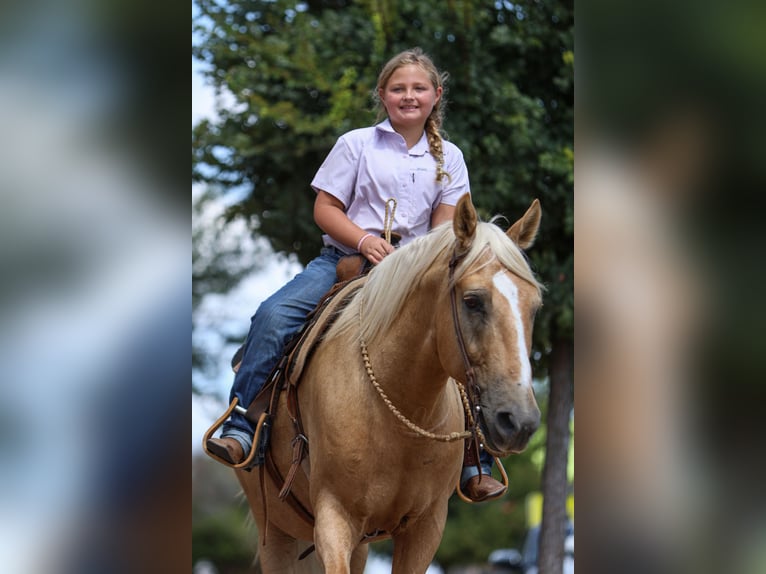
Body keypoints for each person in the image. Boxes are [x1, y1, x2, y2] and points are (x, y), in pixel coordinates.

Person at [206, 47, 505, 502]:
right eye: (398, 88)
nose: (409, 96)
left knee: (457, 335)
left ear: (436, 95)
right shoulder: (356, 144)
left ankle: (474, 455)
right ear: (383, 95)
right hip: (343, 263)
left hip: (414, 275)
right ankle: (242, 420)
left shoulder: (452, 159)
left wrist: (411, 259)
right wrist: (365, 240)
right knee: (273, 314)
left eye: (419, 88)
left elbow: (446, 230)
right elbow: (325, 208)